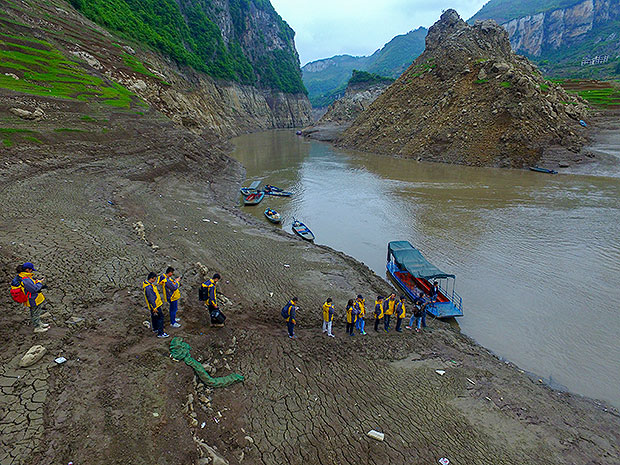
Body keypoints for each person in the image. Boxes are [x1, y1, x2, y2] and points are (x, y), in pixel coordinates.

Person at [19, 263, 49, 333]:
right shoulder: (25, 279)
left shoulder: (25, 276)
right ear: (27, 269)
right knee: (35, 313)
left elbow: (32, 284)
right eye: (31, 270)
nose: (31, 271)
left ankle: (39, 324)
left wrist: (37, 281)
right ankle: (37, 327)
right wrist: (40, 283)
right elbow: (34, 289)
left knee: (37, 312)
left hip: (34, 298)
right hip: (33, 299)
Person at [143, 272, 168, 338]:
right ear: (151, 278)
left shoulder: (148, 285)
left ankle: (155, 329)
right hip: (156, 305)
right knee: (160, 318)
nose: (155, 280)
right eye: (154, 279)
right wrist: (154, 308)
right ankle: (161, 333)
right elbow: (151, 298)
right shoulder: (148, 288)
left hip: (154, 305)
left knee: (154, 317)